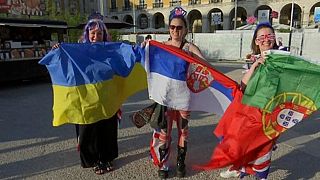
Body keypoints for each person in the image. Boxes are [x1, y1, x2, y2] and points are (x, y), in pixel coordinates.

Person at [52, 12, 120, 175]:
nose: (96, 36)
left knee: (106, 128)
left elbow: (124, 60)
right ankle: (94, 159)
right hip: (85, 97)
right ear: (87, 34)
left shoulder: (110, 50)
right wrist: (58, 50)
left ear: (104, 34)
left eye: (99, 33)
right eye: (93, 32)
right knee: (88, 128)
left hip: (106, 96)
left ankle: (106, 157)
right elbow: (66, 66)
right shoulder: (79, 50)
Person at [148, 7, 207, 179]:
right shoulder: (162, 47)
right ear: (169, 29)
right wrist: (145, 46)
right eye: (172, 27)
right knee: (165, 133)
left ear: (186, 30)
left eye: (179, 27)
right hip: (165, 99)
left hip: (183, 99)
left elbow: (206, 67)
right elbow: (144, 58)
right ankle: (164, 164)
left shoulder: (189, 47)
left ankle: (181, 162)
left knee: (183, 132)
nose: (175, 31)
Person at [220, 22, 279, 180]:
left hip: (270, 112)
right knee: (237, 140)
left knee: (263, 149)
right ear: (256, 41)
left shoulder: (283, 58)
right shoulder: (251, 59)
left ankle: (260, 177)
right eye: (262, 37)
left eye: (269, 36)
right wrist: (254, 66)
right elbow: (243, 86)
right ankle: (240, 169)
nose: (266, 40)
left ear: (275, 38)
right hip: (250, 111)